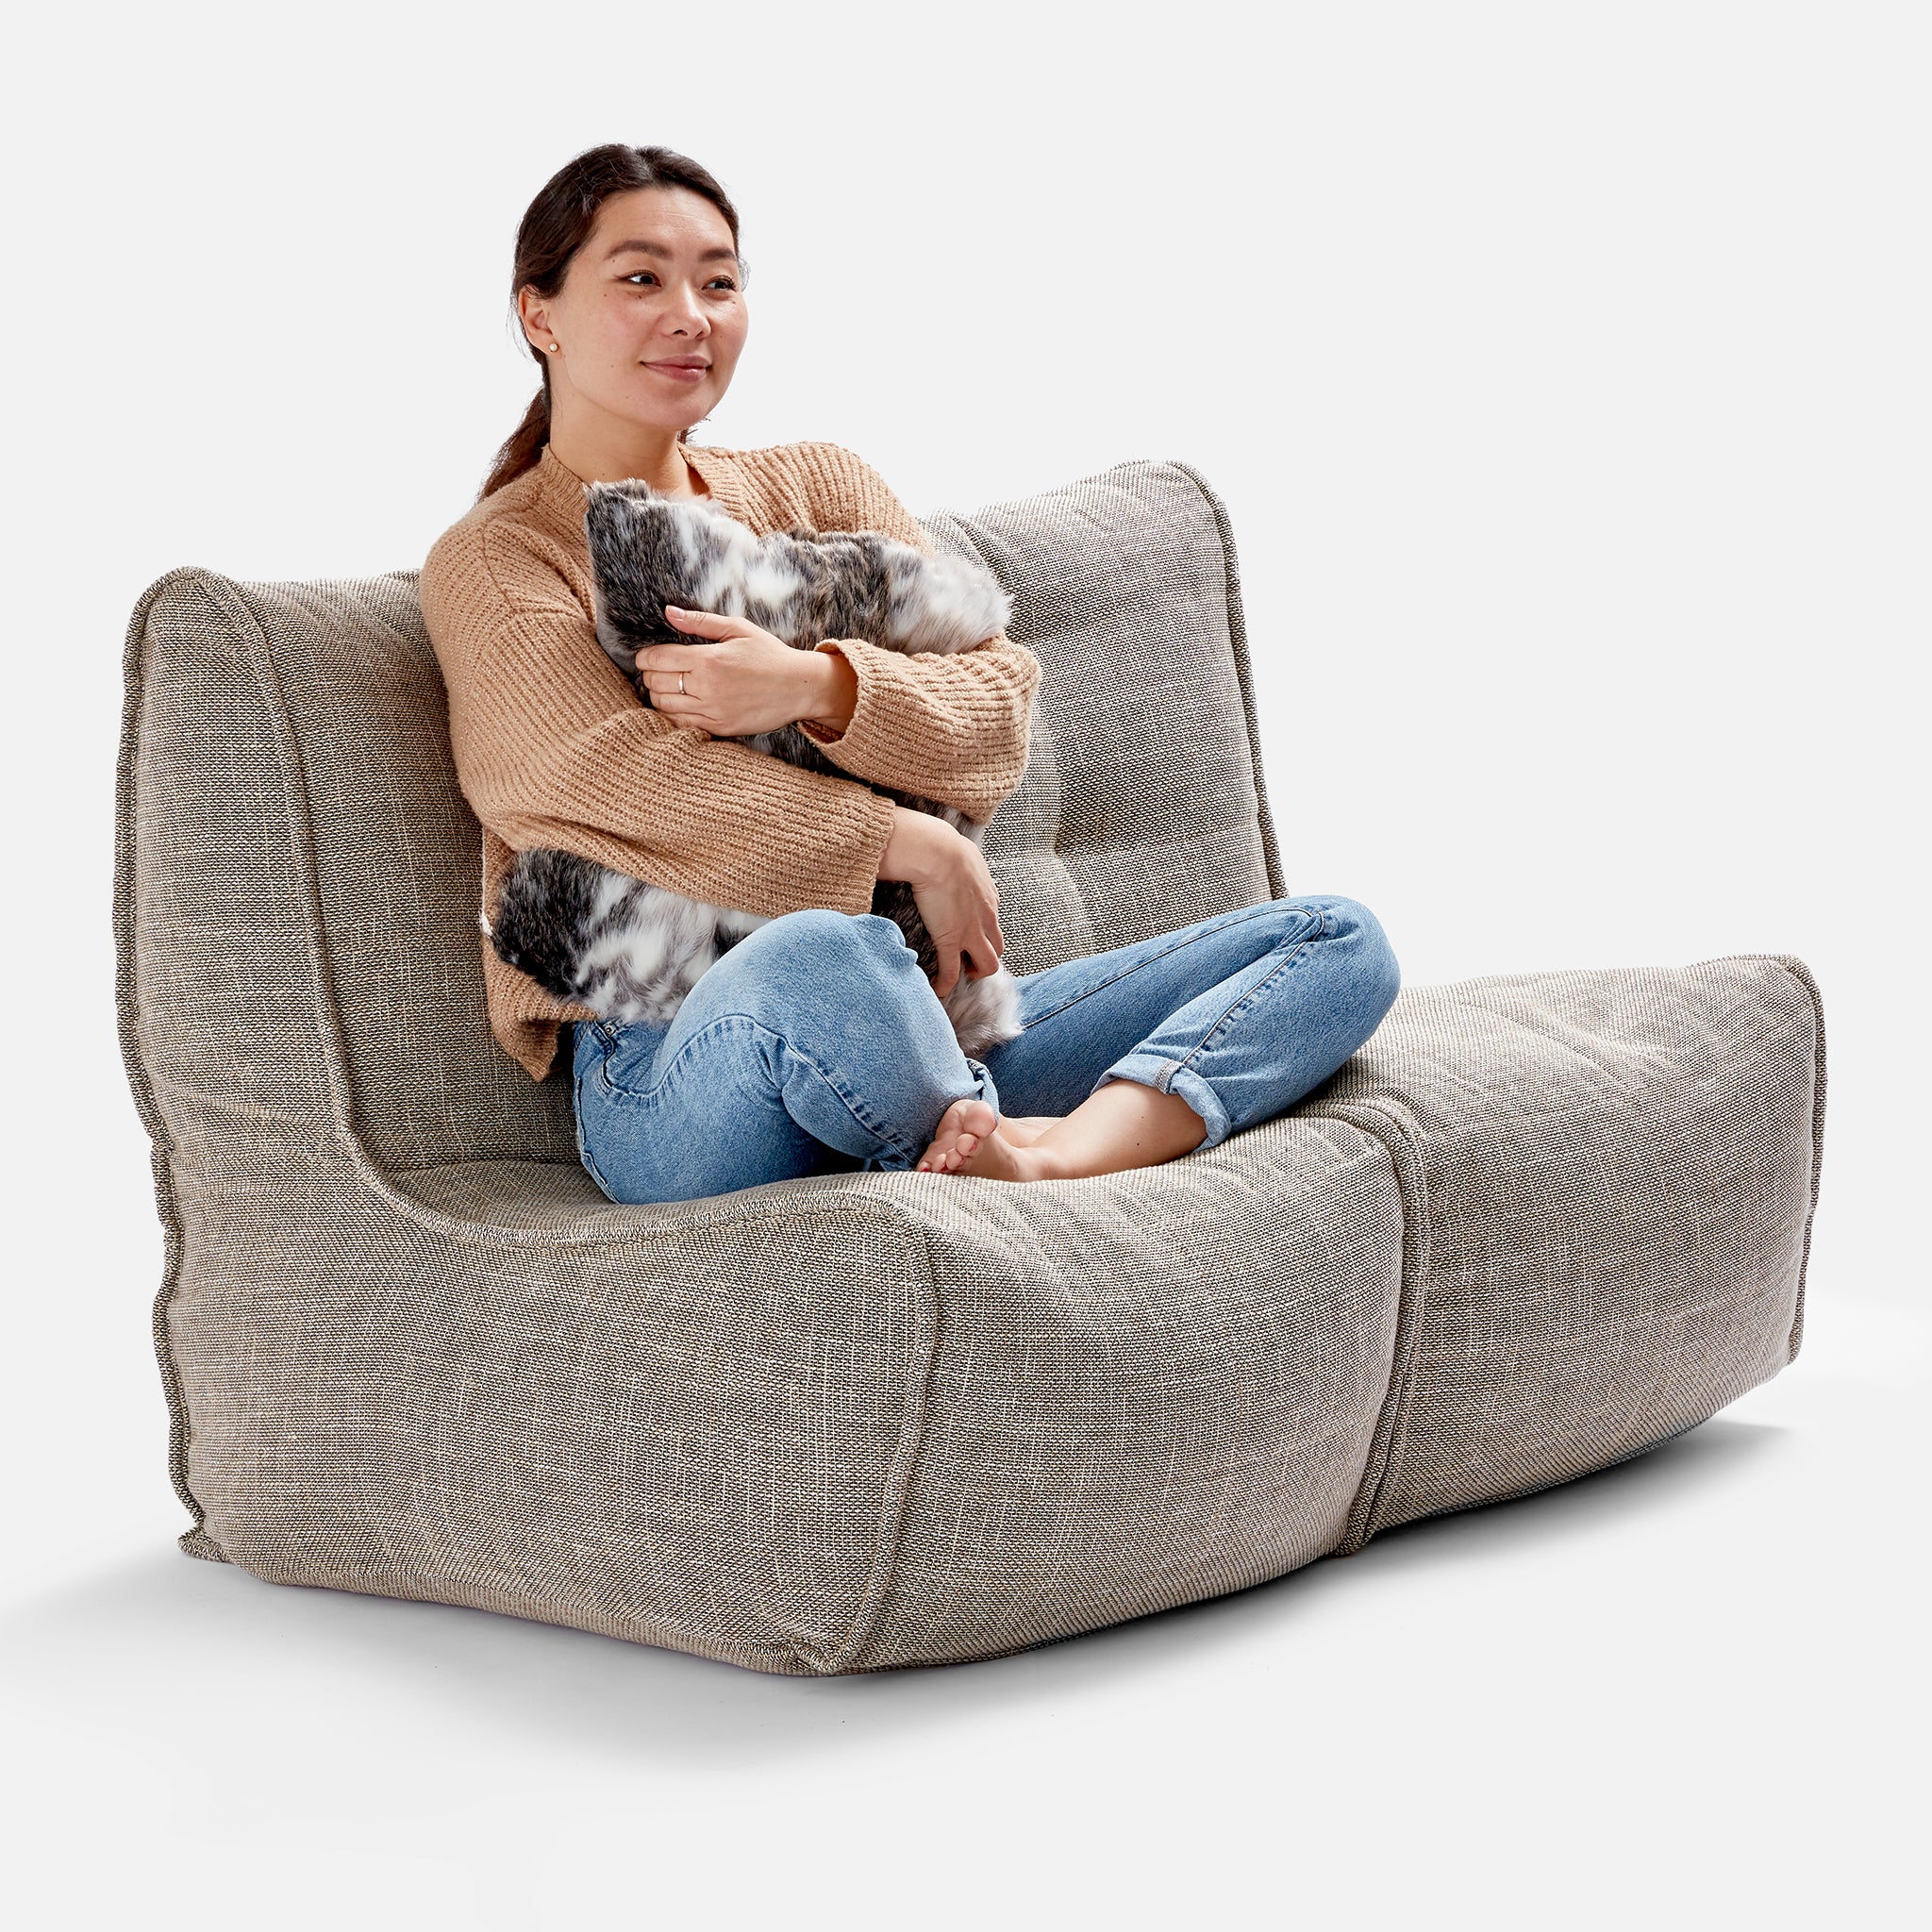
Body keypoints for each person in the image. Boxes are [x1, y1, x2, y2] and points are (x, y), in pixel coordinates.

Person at [421, 143, 1400, 1205]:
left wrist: (819, 685)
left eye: (719, 281)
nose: (690, 316)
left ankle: (1047, 1154)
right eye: (641, 278)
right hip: (681, 1064)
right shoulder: (498, 558)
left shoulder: (824, 484)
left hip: (927, 1024)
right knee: (827, 955)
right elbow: (596, 777)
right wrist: (907, 841)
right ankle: (969, 1125)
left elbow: (998, 705)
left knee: (1336, 940)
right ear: (540, 314)